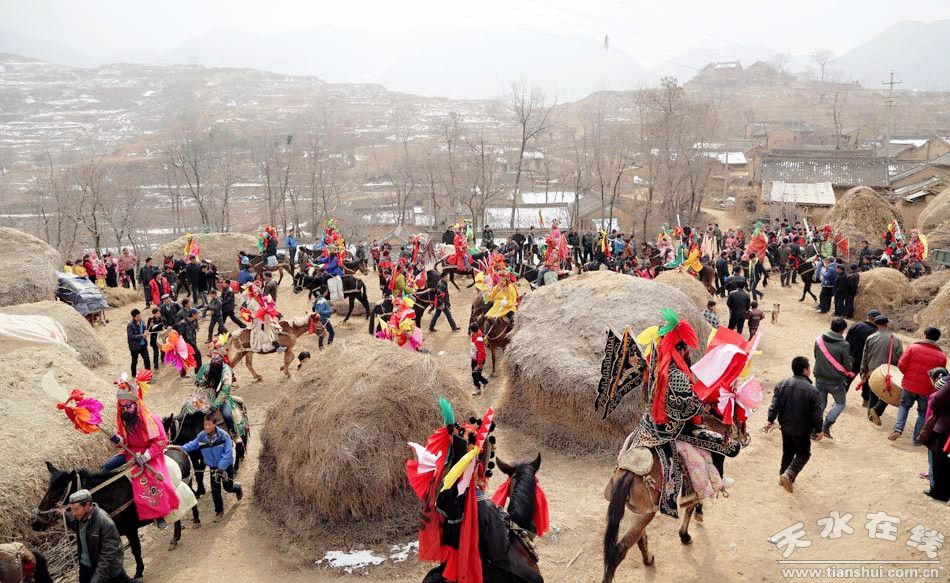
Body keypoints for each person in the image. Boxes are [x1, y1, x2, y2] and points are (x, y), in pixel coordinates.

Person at [100, 374, 179, 529]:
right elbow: (125, 441)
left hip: (149, 455)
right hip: (130, 453)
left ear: (136, 404)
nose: (126, 410)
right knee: (105, 467)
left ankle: (159, 515)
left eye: (128, 407)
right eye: (123, 408)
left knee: (152, 481)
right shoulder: (125, 420)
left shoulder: (151, 419)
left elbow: (160, 441)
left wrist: (146, 456)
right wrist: (118, 439)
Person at [765, 356, 823, 493]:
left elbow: (775, 405)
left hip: (785, 426)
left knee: (788, 452)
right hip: (803, 429)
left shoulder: (782, 384)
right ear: (805, 370)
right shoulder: (812, 390)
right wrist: (819, 430)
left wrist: (770, 420)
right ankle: (789, 474)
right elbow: (817, 414)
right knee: (803, 454)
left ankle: (782, 477)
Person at [890, 327, 947, 443]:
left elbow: (901, 365)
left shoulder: (913, 348)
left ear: (925, 335)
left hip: (909, 385)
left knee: (904, 406)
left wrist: (908, 376)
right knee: (922, 412)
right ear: (937, 338)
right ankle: (917, 438)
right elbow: (940, 375)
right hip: (927, 389)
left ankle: (898, 429)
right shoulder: (942, 356)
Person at [60, 490, 130, 583]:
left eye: (76, 509)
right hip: (86, 567)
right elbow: (72, 521)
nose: (73, 513)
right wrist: (61, 514)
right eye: (72, 509)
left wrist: (97, 579)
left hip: (106, 570)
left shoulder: (104, 522)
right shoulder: (80, 516)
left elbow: (108, 555)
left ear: (87, 505)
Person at [181, 416, 243, 520]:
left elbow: (228, 453)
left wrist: (221, 468)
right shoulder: (201, 436)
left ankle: (237, 488)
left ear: (215, 424)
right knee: (215, 490)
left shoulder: (223, 436)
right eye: (205, 424)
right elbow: (192, 445)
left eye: (209, 424)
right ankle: (219, 511)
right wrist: (180, 448)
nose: (206, 427)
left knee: (228, 487)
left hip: (225, 466)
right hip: (213, 468)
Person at [812, 318, 852, 440]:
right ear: (843, 330)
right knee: (840, 403)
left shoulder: (819, 340)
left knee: (820, 404)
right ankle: (827, 425)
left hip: (820, 377)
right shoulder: (844, 345)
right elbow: (847, 366)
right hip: (836, 380)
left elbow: (816, 355)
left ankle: (814, 430)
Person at [863, 314, 904, 426]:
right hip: (889, 372)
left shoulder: (871, 338)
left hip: (873, 370)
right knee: (887, 393)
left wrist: (863, 369)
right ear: (887, 324)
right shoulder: (897, 340)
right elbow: (900, 358)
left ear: (875, 324)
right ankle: (877, 411)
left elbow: (865, 355)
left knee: (873, 392)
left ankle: (871, 414)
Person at [195, 351, 239, 437]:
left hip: (221, 397)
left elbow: (225, 391)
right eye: (213, 363)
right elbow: (199, 380)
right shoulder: (206, 367)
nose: (215, 365)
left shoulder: (226, 371)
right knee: (191, 410)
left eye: (217, 363)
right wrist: (200, 383)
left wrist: (216, 404)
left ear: (221, 362)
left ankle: (233, 432)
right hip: (207, 394)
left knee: (227, 415)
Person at [924, 368, 950, 502]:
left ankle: (940, 492)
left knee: (939, 460)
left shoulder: (947, 385)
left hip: (944, 428)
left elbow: (935, 402)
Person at [126, 309, 150, 376]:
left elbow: (145, 329)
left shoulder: (142, 322)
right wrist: (142, 335)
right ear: (134, 317)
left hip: (143, 345)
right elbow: (131, 336)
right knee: (134, 361)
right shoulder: (130, 325)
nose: (140, 317)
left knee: (147, 360)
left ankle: (148, 375)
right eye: (138, 316)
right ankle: (133, 375)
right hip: (135, 347)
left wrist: (146, 332)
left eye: (140, 315)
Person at [470, 321, 489, 396]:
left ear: (472, 330)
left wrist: (479, 364)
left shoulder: (479, 339)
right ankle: (478, 387)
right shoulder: (475, 334)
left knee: (476, 374)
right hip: (474, 358)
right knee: (474, 374)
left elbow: (481, 352)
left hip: (478, 360)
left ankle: (484, 383)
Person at [146, 307, 164, 373]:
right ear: (154, 314)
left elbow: (163, 327)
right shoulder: (150, 320)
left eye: (159, 313)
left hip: (160, 338)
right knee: (156, 353)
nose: (158, 314)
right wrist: (151, 326)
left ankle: (163, 359)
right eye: (157, 313)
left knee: (163, 350)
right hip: (154, 339)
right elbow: (148, 330)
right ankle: (156, 366)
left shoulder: (161, 319)